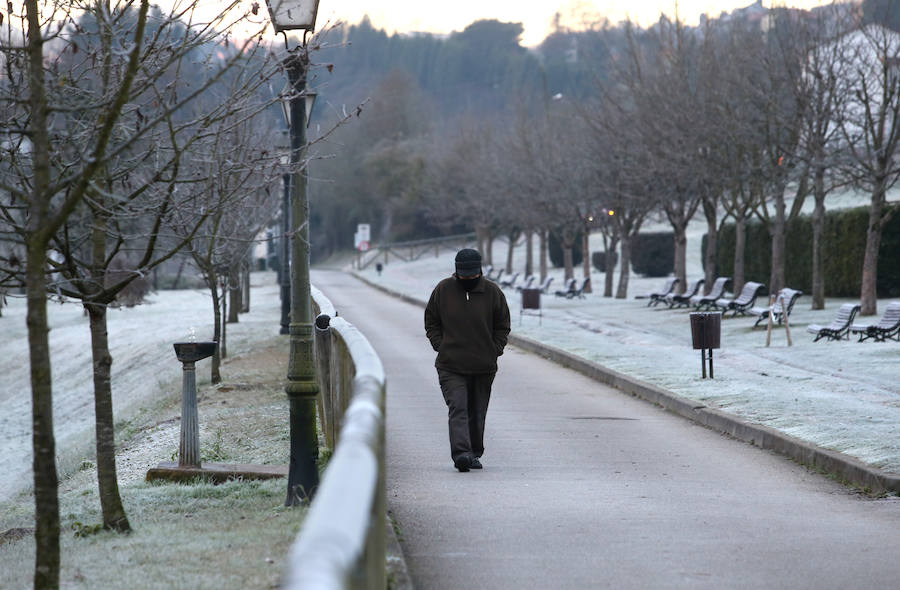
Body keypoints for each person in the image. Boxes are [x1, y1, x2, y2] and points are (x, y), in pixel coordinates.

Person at [424, 248, 511, 472]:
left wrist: (494, 350)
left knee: (477, 411)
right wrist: (440, 346)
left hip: (484, 365)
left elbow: (503, 325)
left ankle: (474, 453)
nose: (469, 278)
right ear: (456, 271)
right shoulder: (443, 290)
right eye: (464, 274)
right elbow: (431, 321)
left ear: (480, 271)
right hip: (450, 365)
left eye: (473, 274)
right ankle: (462, 454)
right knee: (459, 407)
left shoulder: (493, 292)